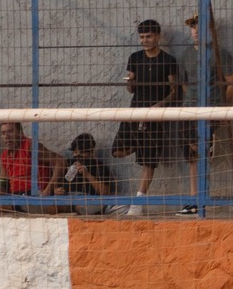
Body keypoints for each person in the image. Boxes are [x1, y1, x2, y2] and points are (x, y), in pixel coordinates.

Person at [115, 20, 186, 202]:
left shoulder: (168, 60)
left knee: (149, 162)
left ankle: (138, 201)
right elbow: (130, 89)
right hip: (136, 110)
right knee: (117, 150)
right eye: (142, 37)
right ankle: (141, 144)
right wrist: (129, 81)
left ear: (158, 36)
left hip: (155, 114)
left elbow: (174, 91)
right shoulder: (135, 58)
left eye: (148, 36)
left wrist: (160, 105)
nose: (144, 40)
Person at [0, 122, 64, 204]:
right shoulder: (3, 156)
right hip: (14, 198)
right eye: (3, 133)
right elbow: (3, 186)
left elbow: (60, 161)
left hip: (34, 196)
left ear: (20, 133)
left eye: (10, 131)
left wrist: (47, 191)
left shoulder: (31, 147)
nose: (6, 136)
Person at [51, 133, 117, 206]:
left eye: (82, 153)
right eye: (75, 152)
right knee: (50, 206)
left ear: (91, 152)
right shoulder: (66, 163)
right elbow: (54, 185)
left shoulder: (99, 167)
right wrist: (56, 191)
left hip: (86, 200)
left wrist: (87, 175)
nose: (78, 156)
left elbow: (105, 193)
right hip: (65, 198)